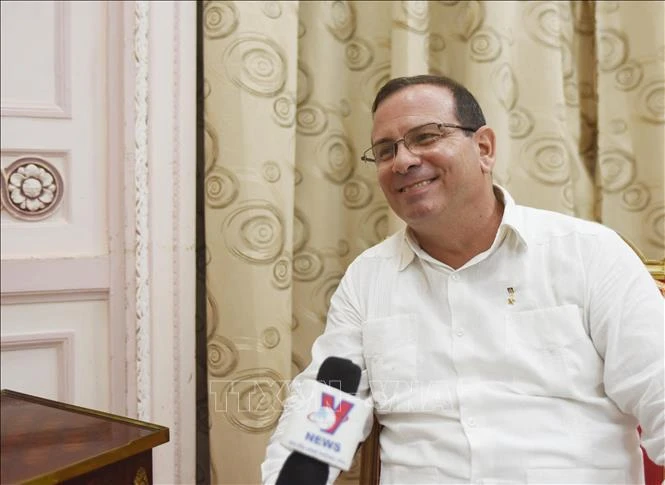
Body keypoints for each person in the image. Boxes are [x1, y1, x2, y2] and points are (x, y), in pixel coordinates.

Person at [262, 75, 664, 484]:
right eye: (386, 150)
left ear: (484, 148)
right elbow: (322, 415)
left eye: (425, 136)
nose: (403, 161)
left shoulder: (588, 253)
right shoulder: (368, 280)